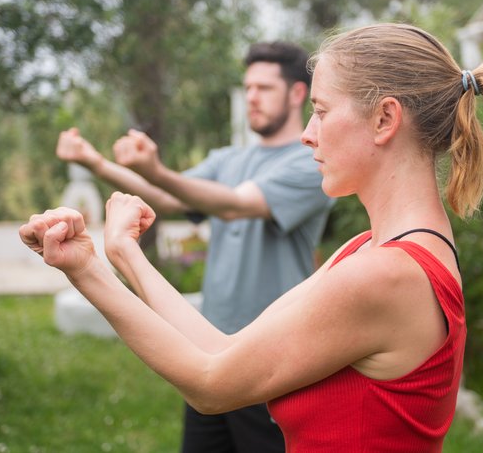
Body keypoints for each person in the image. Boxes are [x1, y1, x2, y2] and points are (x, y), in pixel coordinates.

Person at [22, 23, 483, 451]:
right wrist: (123, 255)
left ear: (385, 119)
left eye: (321, 111)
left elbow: (210, 386)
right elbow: (223, 352)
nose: (308, 134)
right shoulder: (368, 251)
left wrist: (86, 270)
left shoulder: (386, 274)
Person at [56, 42, 334, 452]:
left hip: (272, 356)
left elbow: (236, 205)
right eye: (248, 88)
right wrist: (95, 162)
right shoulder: (228, 159)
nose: (251, 97)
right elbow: (169, 197)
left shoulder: (311, 162)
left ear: (297, 94)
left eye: (264, 88)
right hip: (206, 346)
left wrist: (156, 169)